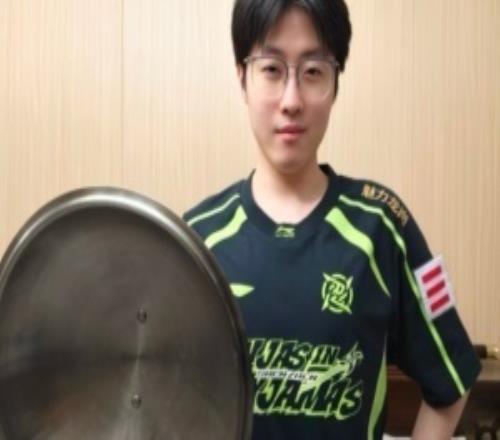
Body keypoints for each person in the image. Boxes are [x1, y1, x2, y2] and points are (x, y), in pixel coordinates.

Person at [183, 0, 481, 438]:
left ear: (336, 82)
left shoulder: (382, 226)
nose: (291, 101)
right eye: (271, 69)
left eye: (313, 71)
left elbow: (452, 378)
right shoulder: (197, 240)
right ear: (242, 77)